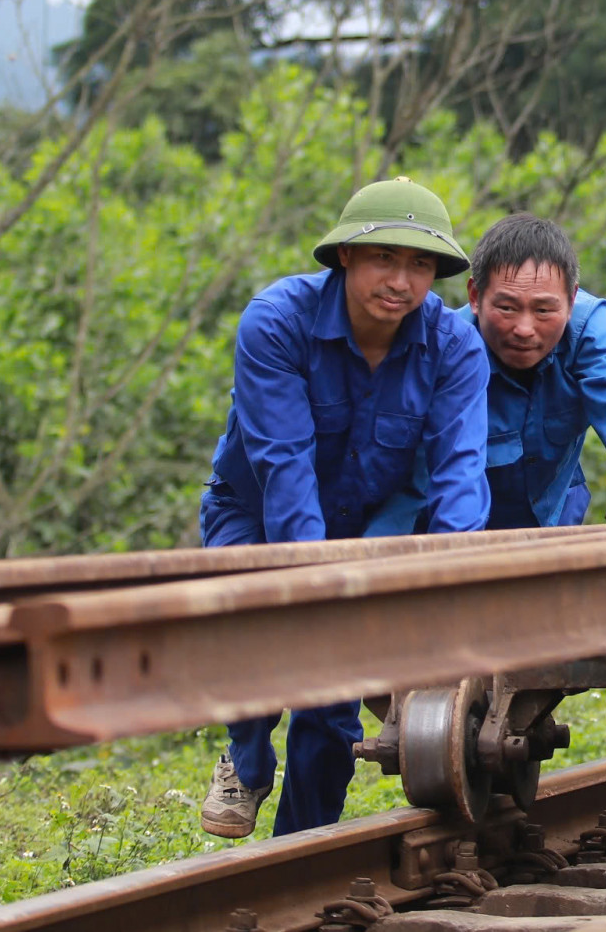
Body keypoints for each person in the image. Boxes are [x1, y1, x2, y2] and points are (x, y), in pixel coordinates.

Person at [196, 177, 489, 840]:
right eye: (385, 257)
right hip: (256, 513)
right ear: (346, 257)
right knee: (252, 622)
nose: (402, 280)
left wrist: (454, 576)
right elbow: (283, 464)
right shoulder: (275, 321)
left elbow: (459, 472)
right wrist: (317, 582)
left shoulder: (453, 346)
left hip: (365, 526)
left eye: (420, 264)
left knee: (330, 708)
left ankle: (299, 856)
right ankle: (245, 763)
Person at [375, 212, 606, 531]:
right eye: (507, 308)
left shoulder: (589, 329)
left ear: (570, 301)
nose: (524, 329)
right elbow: (415, 472)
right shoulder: (448, 347)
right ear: (475, 296)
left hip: (555, 508)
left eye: (543, 310)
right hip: (462, 514)